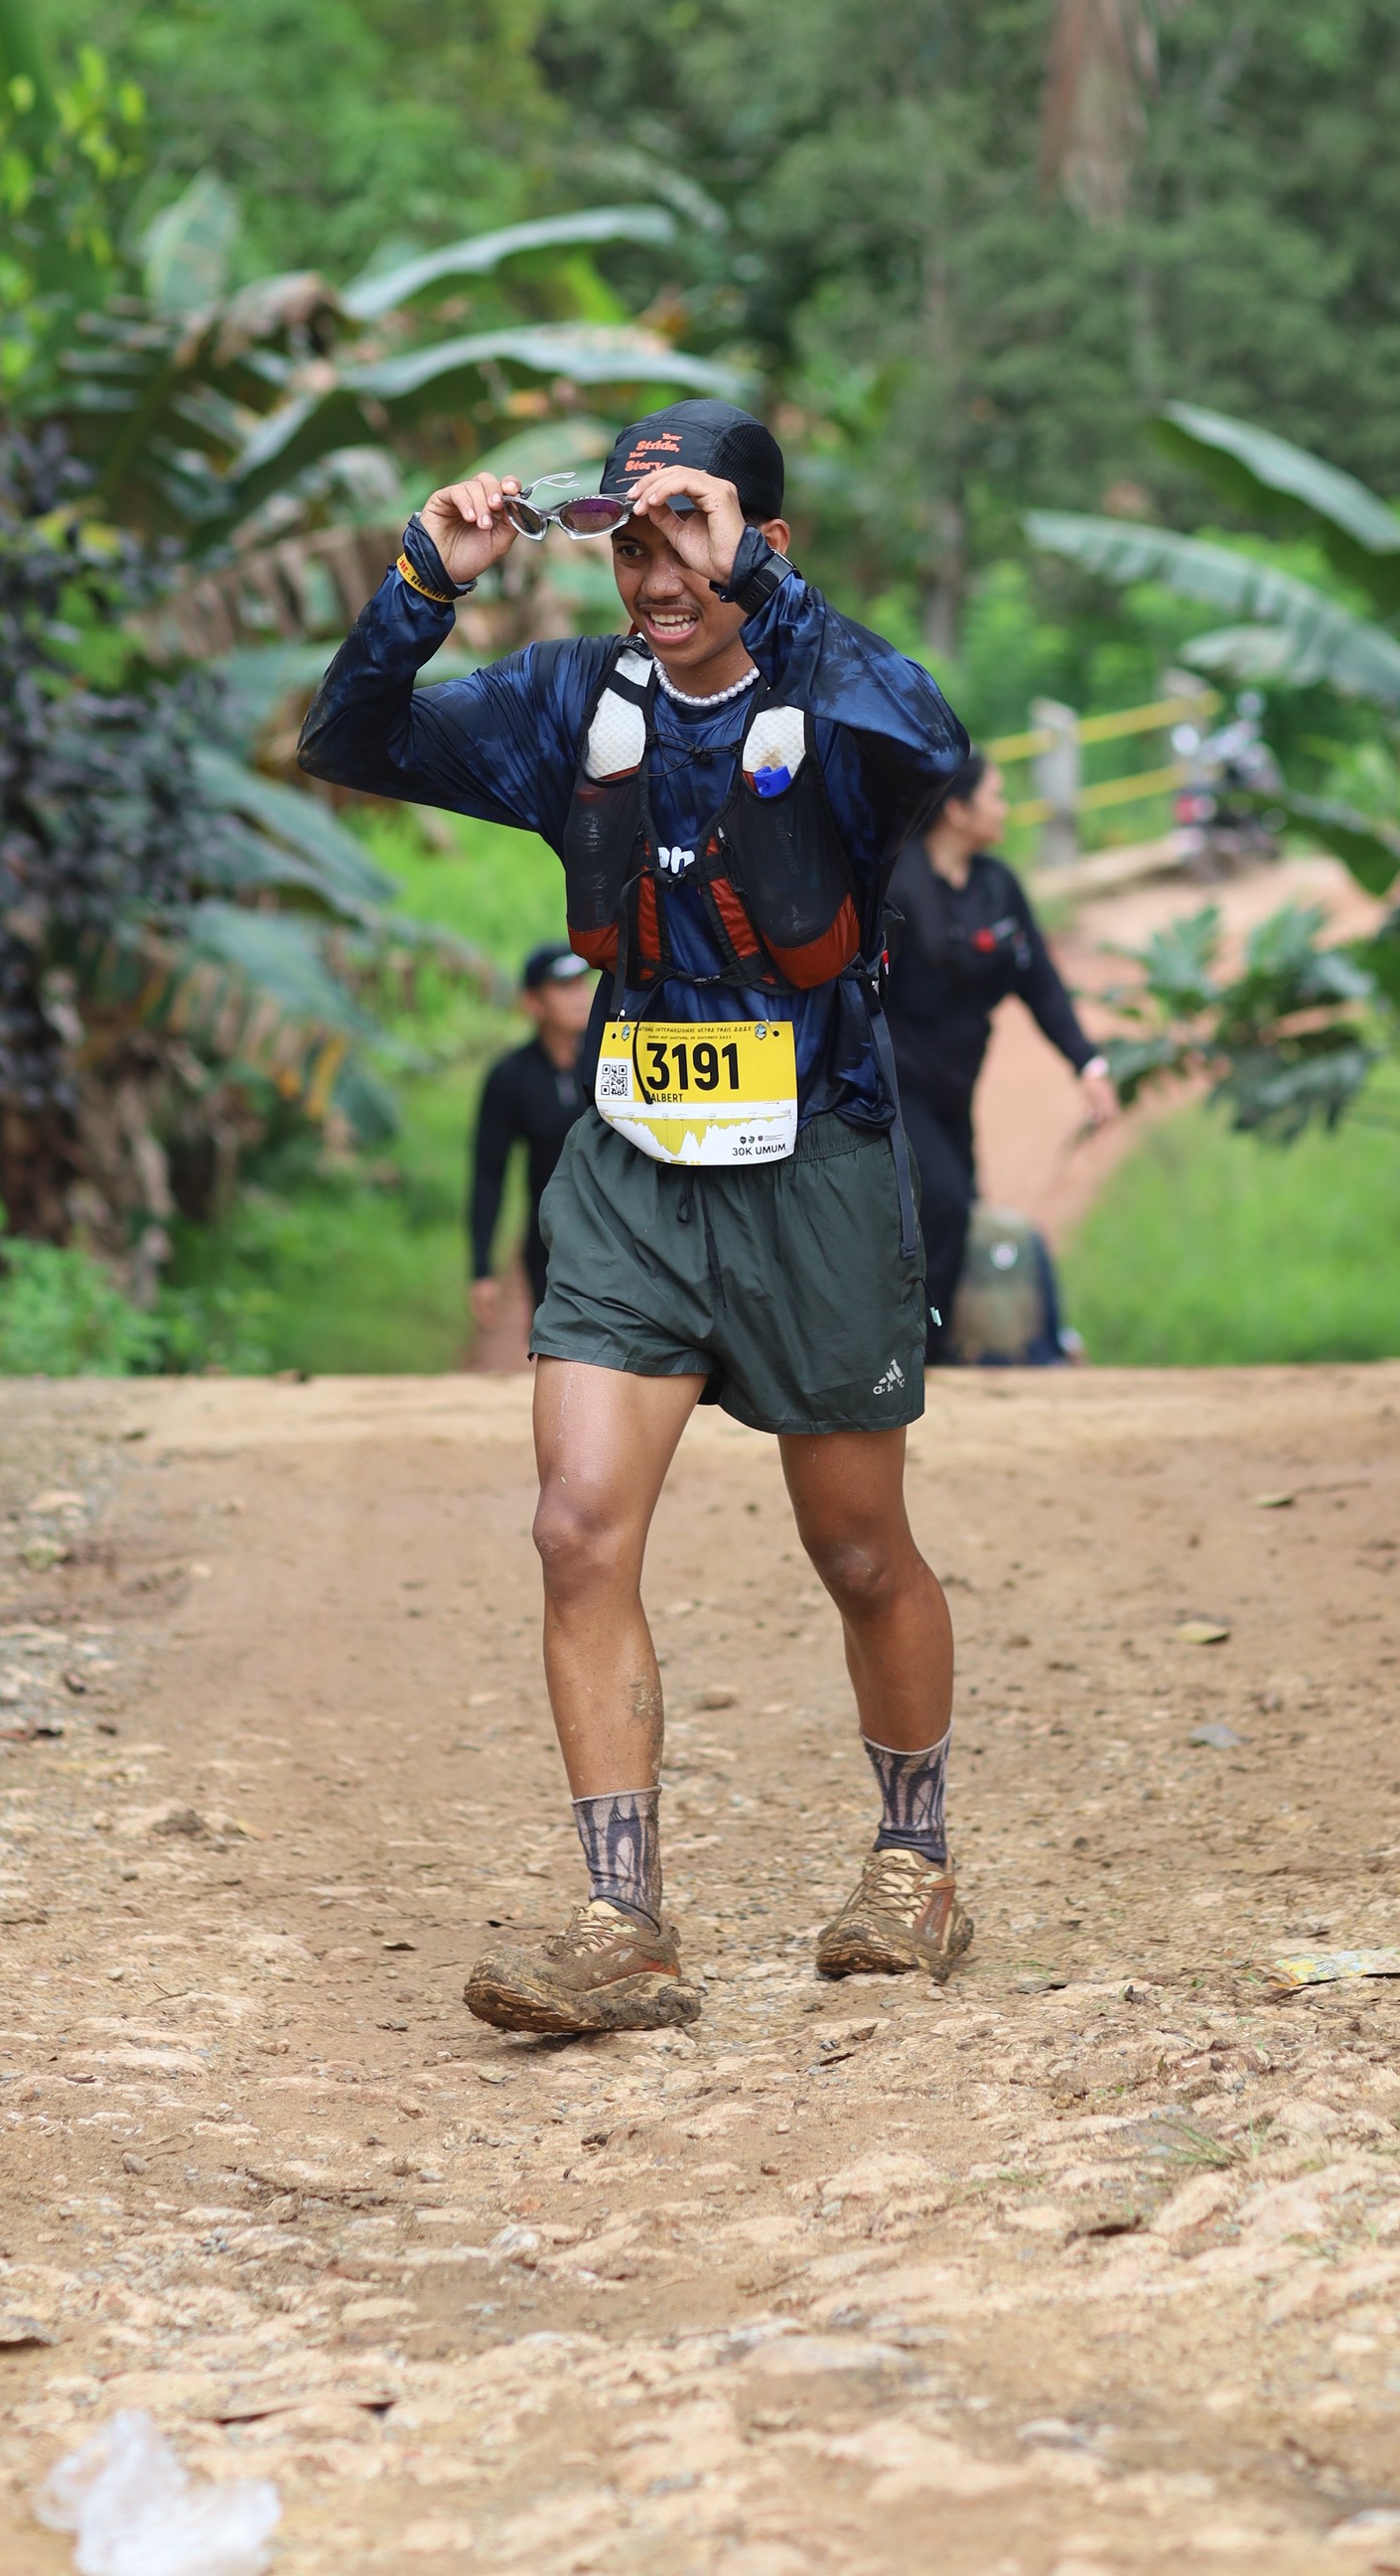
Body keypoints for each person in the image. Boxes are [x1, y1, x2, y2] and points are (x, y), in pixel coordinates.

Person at [298, 398, 973, 2037]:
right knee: (574, 1529)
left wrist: (770, 593)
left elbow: (934, 741)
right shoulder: (567, 704)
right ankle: (622, 1922)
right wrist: (425, 579)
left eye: (690, 531)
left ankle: (916, 1866)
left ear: (763, 545)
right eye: (631, 539)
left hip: (816, 1153)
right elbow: (351, 741)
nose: (657, 570)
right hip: (631, 1162)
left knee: (857, 1546)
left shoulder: (836, 700)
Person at [886, 750, 1117, 1335]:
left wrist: (1087, 1064)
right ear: (958, 810)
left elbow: (1041, 983)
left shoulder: (996, 886)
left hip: (955, 1088)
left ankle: (935, 1352)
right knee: (940, 1201)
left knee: (959, 1206)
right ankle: (918, 1352)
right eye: (996, 796)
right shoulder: (896, 886)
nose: (1006, 809)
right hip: (896, 1089)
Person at [469, 943, 597, 1331]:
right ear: (532, 1002)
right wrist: (482, 1269)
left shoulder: (617, 1063)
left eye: (582, 984)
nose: (579, 996)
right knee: (556, 1344)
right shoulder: (510, 1078)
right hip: (548, 1244)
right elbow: (489, 1174)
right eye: (563, 987)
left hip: (622, 1236)